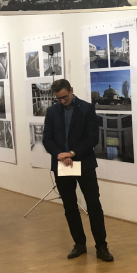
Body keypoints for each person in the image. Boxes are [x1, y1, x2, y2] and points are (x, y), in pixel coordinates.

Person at [42, 79, 113, 262]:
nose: (62, 101)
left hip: (84, 163)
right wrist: (60, 154)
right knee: (70, 206)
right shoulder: (52, 111)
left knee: (93, 205)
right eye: (59, 98)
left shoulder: (86, 108)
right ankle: (79, 244)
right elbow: (47, 139)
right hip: (62, 164)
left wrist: (72, 153)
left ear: (71, 90)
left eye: (65, 97)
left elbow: (93, 138)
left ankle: (101, 246)